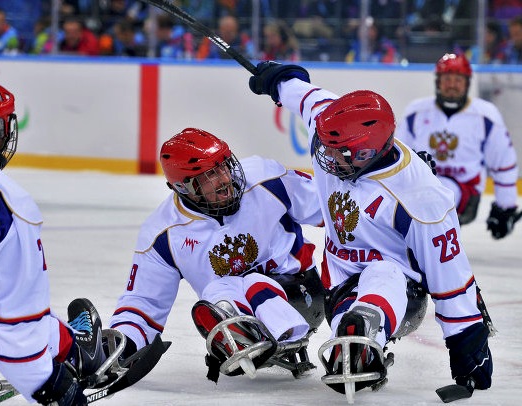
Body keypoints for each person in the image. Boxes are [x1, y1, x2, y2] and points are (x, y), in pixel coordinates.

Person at [248, 61, 493, 400]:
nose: (327, 156)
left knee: (384, 272)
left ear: (367, 151)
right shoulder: (333, 128)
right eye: (326, 145)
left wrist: (468, 345)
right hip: (338, 281)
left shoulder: (420, 198)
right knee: (347, 334)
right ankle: (356, 336)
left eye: (339, 152)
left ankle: (369, 334)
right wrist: (281, 80)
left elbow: (450, 277)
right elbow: (307, 97)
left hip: (403, 293)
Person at [0, 73, 108, 405]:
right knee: (21, 310)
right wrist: (52, 388)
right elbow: (18, 326)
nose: (3, 135)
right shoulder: (6, 200)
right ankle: (79, 348)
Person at [109, 127, 326, 381]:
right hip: (236, 306)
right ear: (184, 187)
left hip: (302, 296)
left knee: (245, 283)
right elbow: (143, 305)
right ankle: (237, 331)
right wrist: (120, 346)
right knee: (215, 294)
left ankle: (246, 331)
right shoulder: (163, 234)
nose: (224, 179)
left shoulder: (265, 179)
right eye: (209, 176)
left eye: (224, 166)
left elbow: (333, 213)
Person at [395, 53, 519, 238]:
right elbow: (398, 158)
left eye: (458, 80)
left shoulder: (485, 115)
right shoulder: (417, 112)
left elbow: (503, 162)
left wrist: (505, 207)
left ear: (467, 83)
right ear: (438, 82)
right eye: (447, 79)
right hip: (421, 186)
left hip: (465, 190)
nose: (452, 85)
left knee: (436, 201)